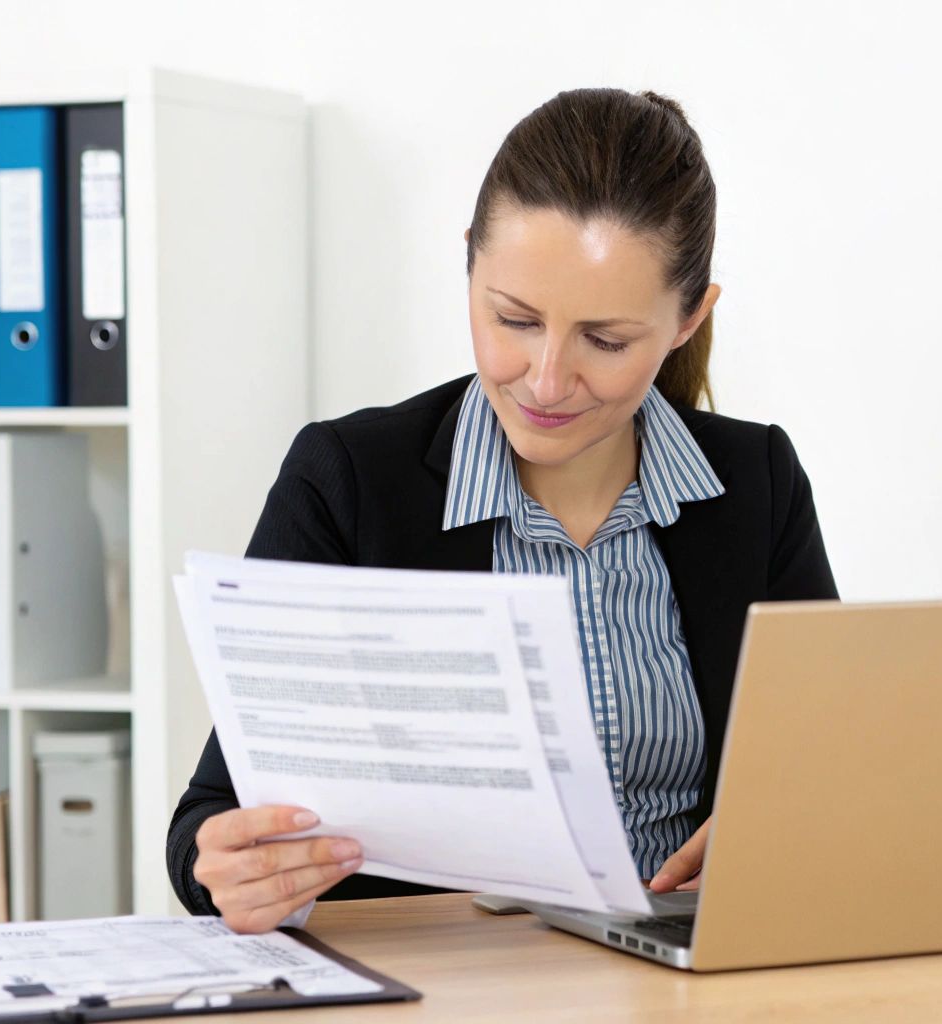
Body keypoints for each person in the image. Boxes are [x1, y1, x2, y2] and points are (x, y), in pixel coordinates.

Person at [166, 88, 837, 934]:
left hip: (686, 987)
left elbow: (831, 776)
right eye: (513, 319)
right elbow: (209, 821)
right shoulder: (349, 482)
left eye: (607, 340)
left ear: (688, 317)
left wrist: (786, 833)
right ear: (469, 270)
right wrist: (227, 869)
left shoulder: (754, 483)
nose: (547, 380)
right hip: (442, 989)